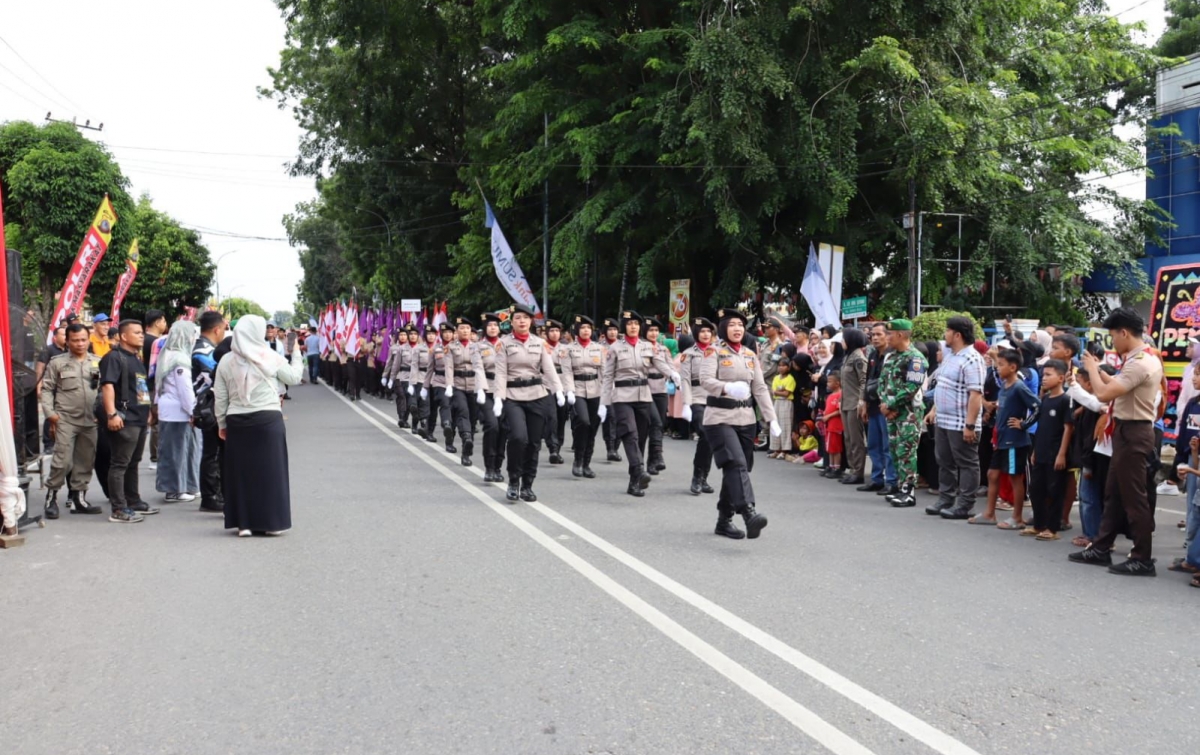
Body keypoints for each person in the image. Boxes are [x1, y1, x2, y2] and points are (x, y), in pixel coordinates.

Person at [1070, 307, 1164, 577]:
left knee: (1134, 499)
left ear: (1124, 333)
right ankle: (1101, 547)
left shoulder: (1140, 362)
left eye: (1113, 335)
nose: (1112, 341)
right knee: (1113, 494)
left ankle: (1142, 558)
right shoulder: (1141, 358)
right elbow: (1120, 386)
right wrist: (1101, 372)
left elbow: (1103, 395)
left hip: (1133, 433)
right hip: (1126, 432)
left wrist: (1092, 369)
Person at [215, 315, 304, 537]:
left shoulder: (226, 360)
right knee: (270, 471)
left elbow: (221, 397)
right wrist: (295, 353)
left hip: (237, 419)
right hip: (267, 419)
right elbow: (294, 377)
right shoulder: (269, 356)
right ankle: (272, 522)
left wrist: (221, 423)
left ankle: (244, 524)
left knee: (241, 472)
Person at [699, 308, 781, 539]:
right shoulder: (713, 351)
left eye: (741, 325)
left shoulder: (749, 354)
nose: (737, 329)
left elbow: (760, 388)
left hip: (746, 418)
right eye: (732, 324)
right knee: (735, 463)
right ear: (723, 328)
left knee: (738, 469)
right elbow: (705, 380)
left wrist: (771, 418)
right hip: (719, 417)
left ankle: (723, 521)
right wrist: (726, 387)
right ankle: (748, 512)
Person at [600, 310, 679, 497]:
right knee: (630, 434)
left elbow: (660, 363)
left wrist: (672, 374)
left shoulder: (647, 346)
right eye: (629, 324)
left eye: (636, 323)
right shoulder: (615, 348)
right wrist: (604, 402)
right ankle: (639, 469)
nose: (633, 327)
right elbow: (608, 376)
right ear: (624, 327)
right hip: (622, 396)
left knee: (641, 438)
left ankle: (634, 481)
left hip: (643, 395)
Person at [493, 304, 565, 502]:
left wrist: (558, 390)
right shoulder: (503, 343)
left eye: (525, 318)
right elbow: (501, 372)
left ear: (531, 321)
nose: (522, 321)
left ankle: (527, 485)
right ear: (512, 322)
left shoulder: (540, 343)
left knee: (533, 443)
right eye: (517, 318)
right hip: (512, 396)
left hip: (537, 395)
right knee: (518, 438)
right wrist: (498, 398)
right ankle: (513, 480)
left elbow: (549, 369)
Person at [39, 323, 104, 518]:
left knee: (85, 461)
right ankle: (51, 498)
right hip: (65, 419)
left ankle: (79, 499)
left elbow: (104, 390)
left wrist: (103, 413)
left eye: (83, 340)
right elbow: (47, 389)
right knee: (62, 461)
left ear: (88, 340)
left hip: (91, 420)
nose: (80, 344)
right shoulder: (57, 363)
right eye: (75, 340)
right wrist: (51, 414)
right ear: (67, 341)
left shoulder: (98, 362)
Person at [970, 348, 1039, 527]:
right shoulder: (1004, 386)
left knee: (1015, 477)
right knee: (992, 474)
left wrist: (1023, 424)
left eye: (1001, 365)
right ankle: (989, 514)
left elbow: (1038, 407)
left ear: (1013, 367)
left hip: (1014, 441)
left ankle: (1017, 518)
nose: (998, 368)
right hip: (1000, 439)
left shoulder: (1019, 387)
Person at [99, 319, 159, 523]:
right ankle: (118, 508)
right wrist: (111, 414)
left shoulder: (135, 358)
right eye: (136, 333)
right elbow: (107, 386)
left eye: (142, 332)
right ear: (124, 336)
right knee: (119, 463)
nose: (142, 335)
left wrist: (148, 410)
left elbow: (140, 387)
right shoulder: (114, 357)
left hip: (139, 417)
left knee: (133, 462)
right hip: (125, 419)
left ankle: (133, 501)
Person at [925, 316, 985, 519]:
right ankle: (946, 499)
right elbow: (944, 386)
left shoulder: (972, 359)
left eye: (947, 331)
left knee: (967, 463)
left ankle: (965, 505)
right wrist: (934, 410)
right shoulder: (951, 356)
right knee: (944, 461)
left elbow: (975, 395)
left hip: (961, 422)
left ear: (957, 335)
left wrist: (970, 425)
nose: (945, 335)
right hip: (943, 420)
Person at [878, 319, 928, 507]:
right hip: (891, 413)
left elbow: (912, 387)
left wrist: (891, 404)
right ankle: (900, 488)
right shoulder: (891, 357)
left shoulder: (915, 358)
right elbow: (882, 383)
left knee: (906, 452)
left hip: (908, 414)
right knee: (894, 451)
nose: (887, 337)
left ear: (900, 335)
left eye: (889, 334)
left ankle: (908, 492)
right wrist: (884, 404)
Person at [154, 321, 201, 502]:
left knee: (181, 451)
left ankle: (187, 486)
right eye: (192, 334)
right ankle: (174, 490)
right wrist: (193, 410)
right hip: (178, 411)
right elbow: (185, 389)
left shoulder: (166, 354)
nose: (194, 338)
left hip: (168, 408)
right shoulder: (180, 358)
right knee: (177, 453)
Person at [560, 315, 604, 479]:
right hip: (577, 389)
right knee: (583, 422)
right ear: (577, 330)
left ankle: (586, 463)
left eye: (588, 328)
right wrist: (569, 391)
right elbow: (567, 372)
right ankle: (578, 460)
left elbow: (604, 371)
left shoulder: (599, 348)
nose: (586, 331)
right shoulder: (568, 349)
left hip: (596, 389)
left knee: (592, 427)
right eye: (583, 328)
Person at [193, 311, 227, 513]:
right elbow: (217, 376)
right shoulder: (204, 351)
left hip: (210, 404)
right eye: (224, 328)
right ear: (217, 329)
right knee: (212, 453)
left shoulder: (205, 348)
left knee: (214, 452)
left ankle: (215, 494)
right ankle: (210, 496)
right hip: (208, 406)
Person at [680, 317, 717, 495]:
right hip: (696, 397)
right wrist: (686, 403)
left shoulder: (718, 351)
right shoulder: (688, 354)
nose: (706, 334)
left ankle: (703, 477)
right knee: (704, 432)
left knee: (710, 438)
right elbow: (685, 380)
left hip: (714, 398)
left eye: (708, 331)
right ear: (696, 334)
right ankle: (697, 476)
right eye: (702, 331)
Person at [860, 322, 898, 495]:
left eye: (878, 334)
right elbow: (868, 380)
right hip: (873, 406)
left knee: (888, 446)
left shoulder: (893, 355)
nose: (874, 338)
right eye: (872, 335)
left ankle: (891, 481)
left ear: (887, 335)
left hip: (887, 407)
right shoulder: (873, 354)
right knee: (873, 445)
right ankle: (876, 479)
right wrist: (864, 403)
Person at [444, 316, 483, 467]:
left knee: (473, 418)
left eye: (467, 328)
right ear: (457, 330)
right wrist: (449, 385)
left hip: (474, 385)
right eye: (462, 328)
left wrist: (482, 386)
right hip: (458, 385)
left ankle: (467, 451)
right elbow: (449, 367)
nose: (465, 331)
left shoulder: (478, 347)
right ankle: (465, 437)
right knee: (462, 411)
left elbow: (481, 367)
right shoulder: (451, 347)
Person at [472, 314, 505, 481]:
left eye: (495, 325)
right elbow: (478, 368)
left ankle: (498, 466)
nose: (493, 328)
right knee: (492, 426)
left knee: (504, 429)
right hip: (487, 390)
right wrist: (480, 389)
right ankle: (489, 466)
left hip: (505, 391)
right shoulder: (477, 347)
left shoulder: (505, 344)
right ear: (485, 328)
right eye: (490, 325)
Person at [838, 328, 869, 485]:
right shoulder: (847, 356)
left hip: (855, 403)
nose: (842, 342)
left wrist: (862, 401)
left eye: (844, 339)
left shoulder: (858, 358)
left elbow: (864, 381)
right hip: (846, 402)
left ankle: (858, 472)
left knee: (856, 440)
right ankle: (852, 469)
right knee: (848, 438)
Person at [644, 317, 671, 474]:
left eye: (656, 330)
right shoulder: (639, 348)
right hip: (645, 388)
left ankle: (652, 461)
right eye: (650, 330)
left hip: (661, 388)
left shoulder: (663, 349)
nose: (654, 333)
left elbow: (670, 367)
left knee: (659, 424)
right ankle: (656, 457)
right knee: (653, 423)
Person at [543, 319, 569, 465]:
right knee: (551, 417)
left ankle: (557, 448)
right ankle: (552, 447)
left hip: (563, 385)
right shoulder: (541, 347)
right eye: (552, 331)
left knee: (561, 417)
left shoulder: (566, 348)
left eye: (557, 331)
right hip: (546, 385)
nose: (554, 333)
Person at [599, 317, 623, 462]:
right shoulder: (599, 347)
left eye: (615, 329)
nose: (613, 332)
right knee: (610, 417)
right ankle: (610, 448)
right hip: (606, 386)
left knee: (621, 418)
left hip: (622, 386)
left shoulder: (623, 345)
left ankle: (616, 446)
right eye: (610, 330)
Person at [408, 327, 438, 441]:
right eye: (428, 334)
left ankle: (429, 430)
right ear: (425, 336)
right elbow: (414, 366)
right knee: (424, 403)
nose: (431, 336)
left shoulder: (440, 348)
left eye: (433, 334)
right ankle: (423, 425)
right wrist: (412, 383)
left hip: (436, 380)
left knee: (434, 407)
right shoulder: (418, 348)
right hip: (422, 378)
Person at [769, 357, 796, 459]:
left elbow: (786, 393)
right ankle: (776, 449)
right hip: (777, 402)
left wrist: (778, 392)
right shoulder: (776, 378)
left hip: (786, 402)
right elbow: (774, 391)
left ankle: (784, 450)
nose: (781, 368)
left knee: (785, 426)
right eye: (779, 365)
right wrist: (779, 391)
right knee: (775, 424)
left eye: (783, 366)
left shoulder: (790, 379)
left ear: (788, 367)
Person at [822, 373, 844, 476]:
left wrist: (828, 416)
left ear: (837, 383)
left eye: (830, 381)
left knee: (836, 448)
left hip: (835, 425)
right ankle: (831, 466)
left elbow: (839, 410)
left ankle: (837, 468)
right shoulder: (830, 396)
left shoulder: (840, 395)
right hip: (829, 425)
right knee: (830, 448)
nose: (827, 383)